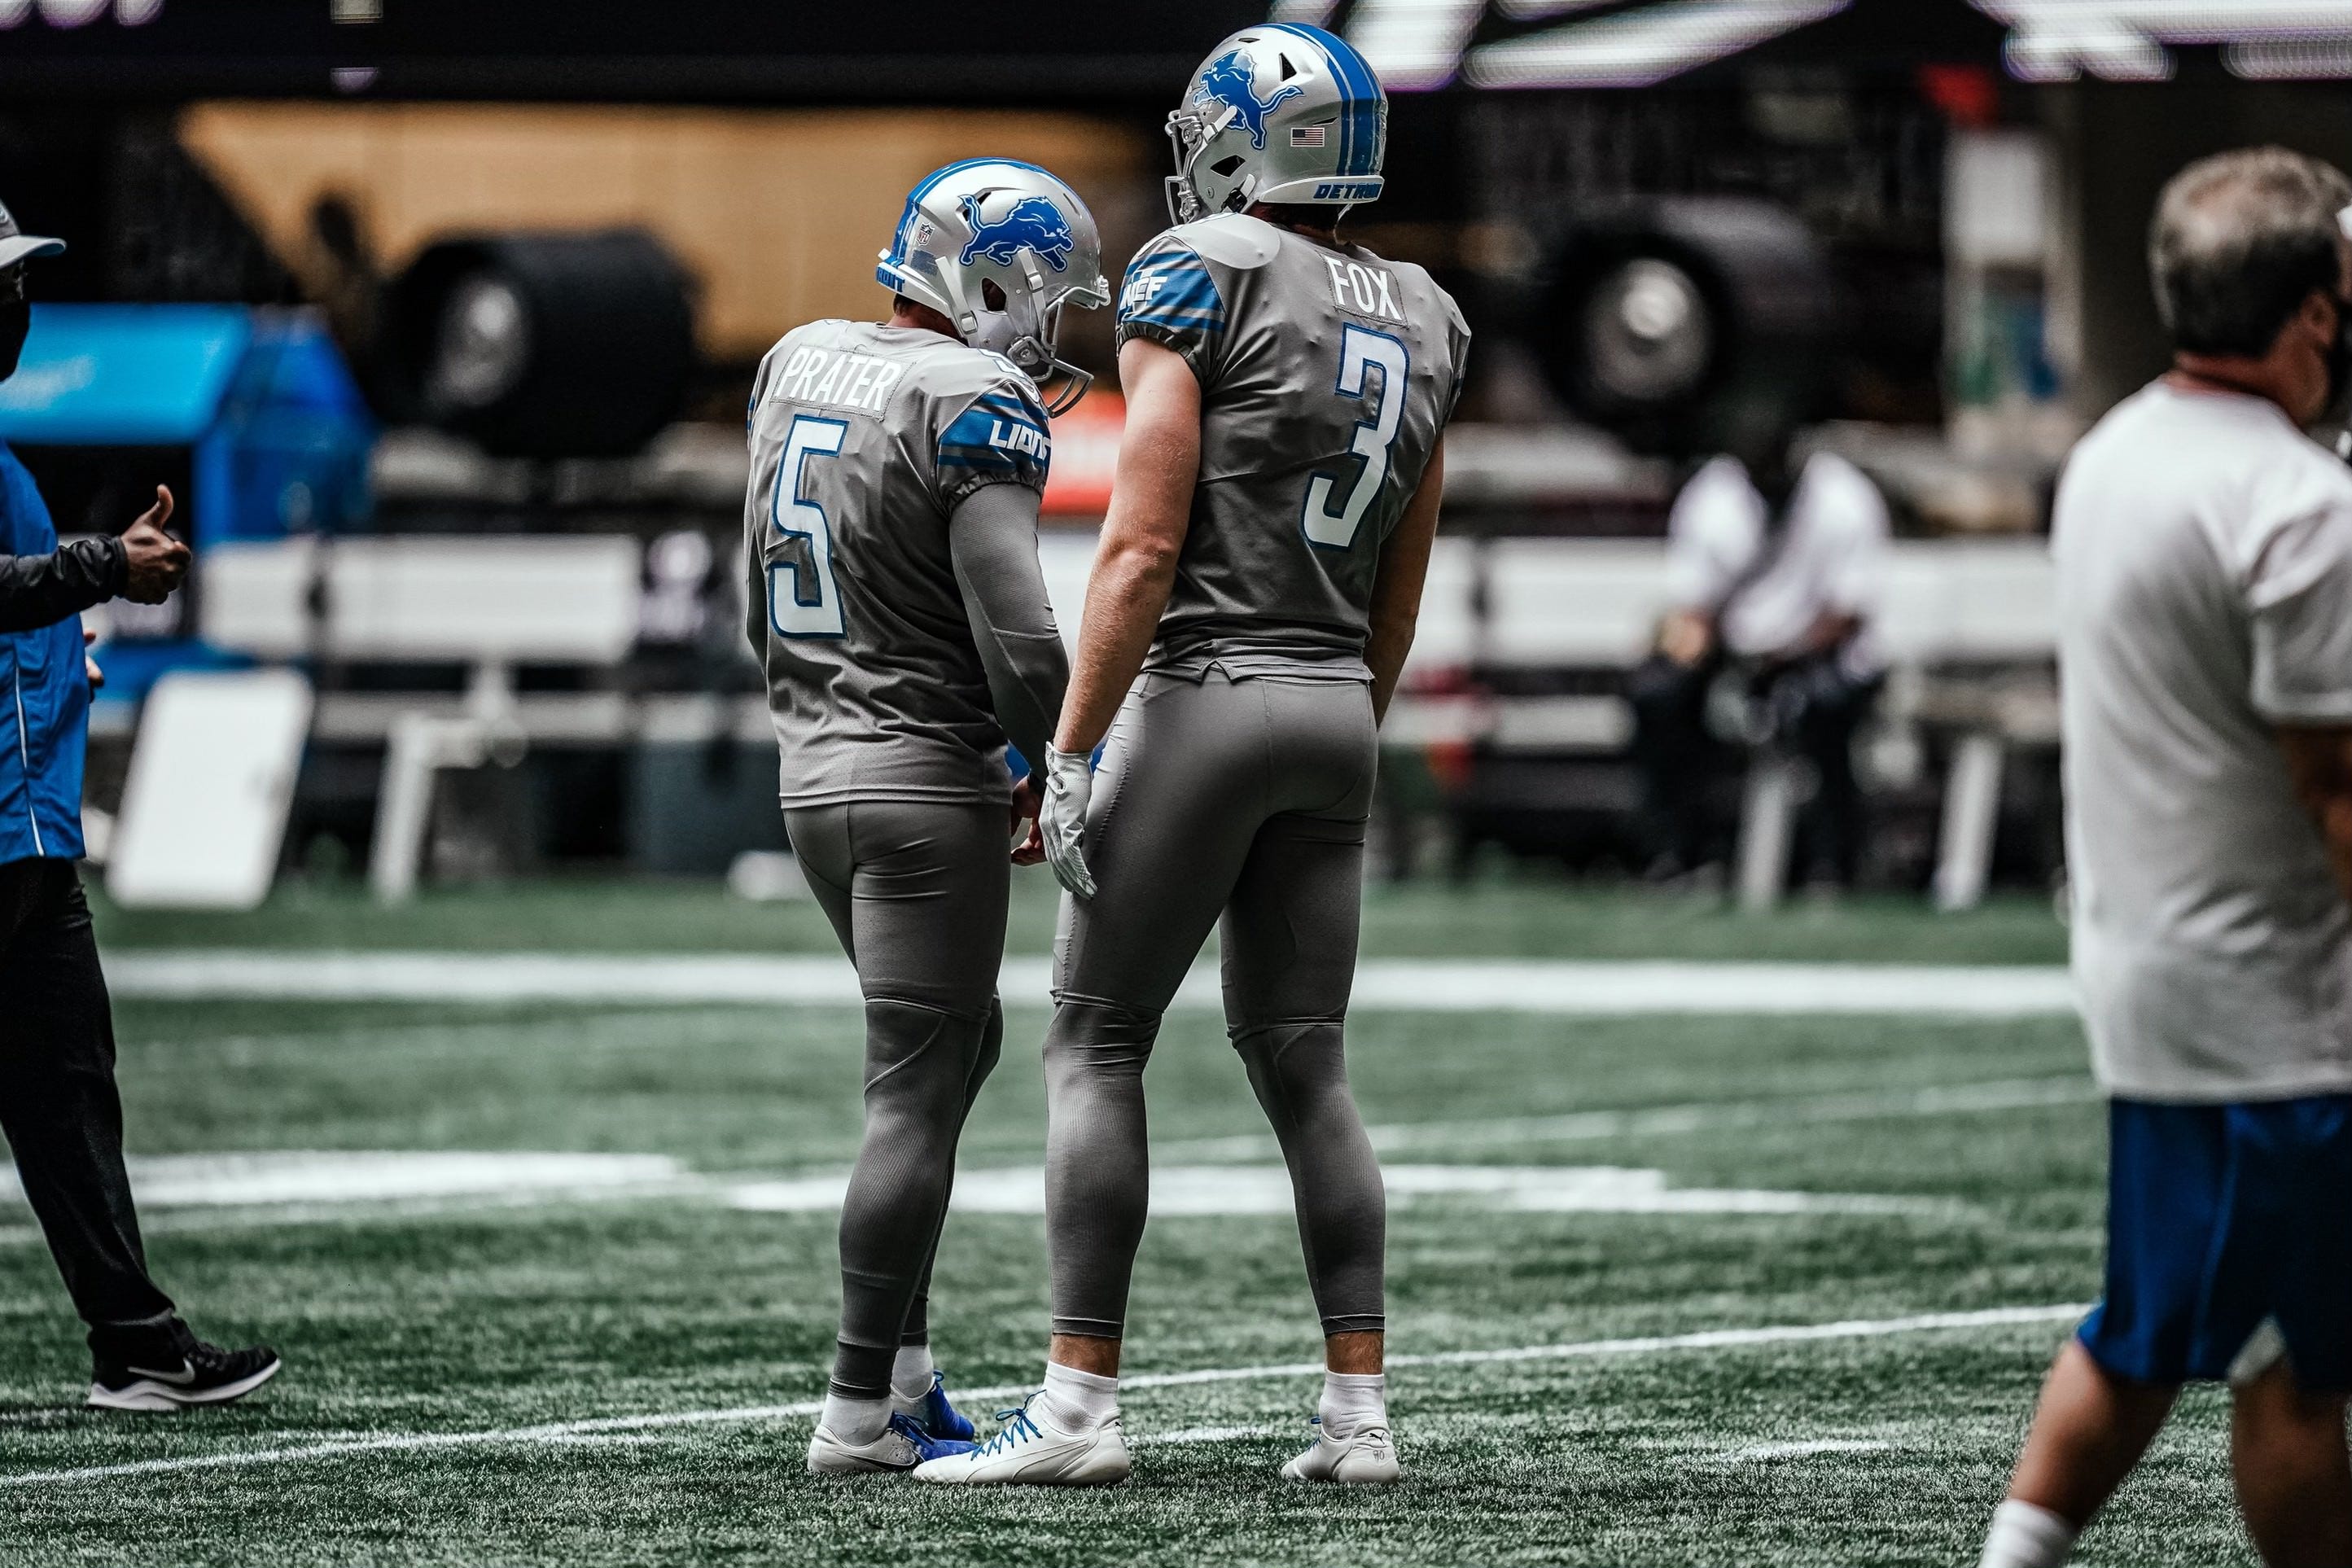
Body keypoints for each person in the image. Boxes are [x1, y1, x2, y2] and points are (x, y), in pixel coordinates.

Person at [916, 22, 1468, 1488]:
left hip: (1206, 689)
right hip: (1332, 702)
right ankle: (1357, 1416)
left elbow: (1141, 543)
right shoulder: (1423, 308)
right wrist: (1349, 711)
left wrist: (1072, 748)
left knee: (1093, 1039)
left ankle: (1077, 1405)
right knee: (1306, 1062)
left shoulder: (1198, 269)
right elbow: (1401, 582)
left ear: (1237, 140)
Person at [1978, 147, 2352, 1568]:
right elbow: (2332, 788)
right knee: (2298, 1370)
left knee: (2141, 1332)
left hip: (2149, 974)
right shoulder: (2296, 505)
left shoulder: (2114, 452)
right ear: (2308, 315)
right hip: (2284, 1008)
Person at [742, 159, 1102, 1474]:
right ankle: (856, 1408)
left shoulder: (796, 363)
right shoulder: (972, 396)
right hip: (916, 776)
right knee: (912, 1084)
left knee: (950, 1052)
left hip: (812, 766)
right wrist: (1063, 753)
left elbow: (755, 596)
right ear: (988, 278)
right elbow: (1016, 630)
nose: (1051, 332)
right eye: (1044, 297)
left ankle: (898, 1375)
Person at [0, 199, 279, 1412]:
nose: (17, 308)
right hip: (5, 825)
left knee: (67, 1089)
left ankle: (136, 1338)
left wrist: (67, 640)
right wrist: (103, 565)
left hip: (27, 826)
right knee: (61, 1086)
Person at [1627, 440, 1890, 887]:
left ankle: (1834, 861)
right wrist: (1700, 651)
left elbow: (1848, 613)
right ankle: (1679, 852)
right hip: (1735, 651)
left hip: (1818, 654)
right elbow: (1693, 608)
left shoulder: (1845, 496)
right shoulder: (1711, 496)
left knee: (1827, 705)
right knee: (1658, 695)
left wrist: (1780, 654)